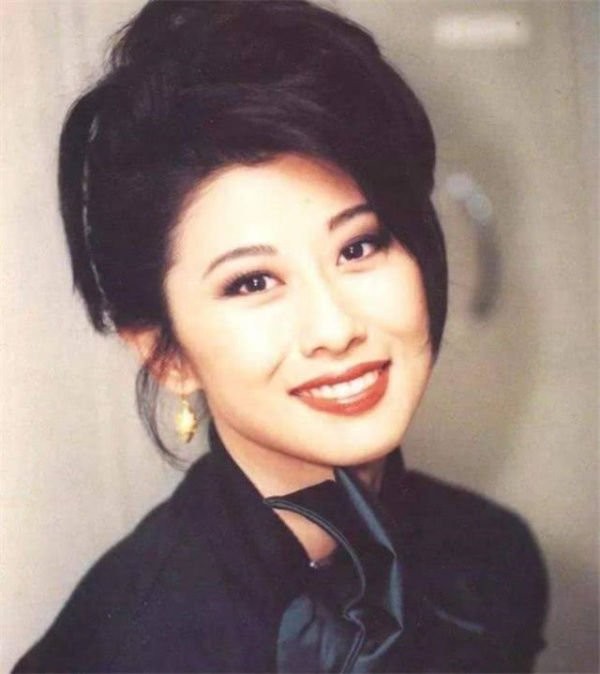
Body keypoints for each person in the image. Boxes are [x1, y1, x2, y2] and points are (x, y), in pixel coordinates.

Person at [13, 1, 548, 672]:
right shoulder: (131, 649)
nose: (335, 329)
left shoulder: (494, 561)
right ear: (164, 353)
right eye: (252, 283)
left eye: (359, 247)